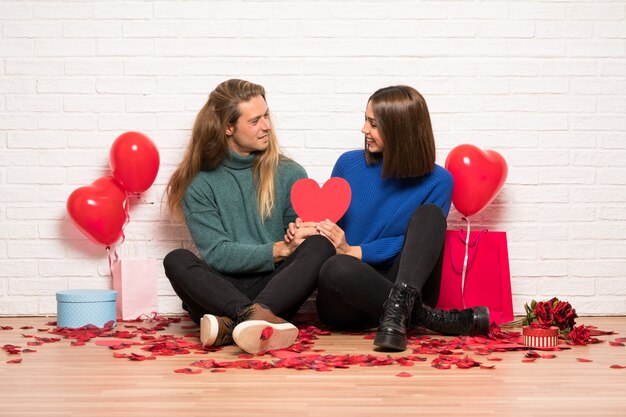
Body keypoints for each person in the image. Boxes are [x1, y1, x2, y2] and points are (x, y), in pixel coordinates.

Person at [288, 85, 490, 352]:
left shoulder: (439, 181)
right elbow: (330, 226)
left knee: (430, 217)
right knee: (335, 267)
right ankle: (429, 318)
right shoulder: (348, 164)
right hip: (347, 297)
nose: (363, 130)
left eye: (373, 123)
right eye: (365, 120)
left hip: (405, 281)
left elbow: (418, 243)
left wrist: (356, 250)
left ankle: (398, 313)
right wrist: (307, 229)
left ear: (399, 129)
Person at [163, 79, 335, 354]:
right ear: (228, 128)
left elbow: (297, 251)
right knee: (176, 260)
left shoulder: (290, 173)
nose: (267, 125)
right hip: (220, 290)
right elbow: (218, 254)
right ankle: (253, 319)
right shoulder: (199, 183)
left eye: (266, 115)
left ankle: (231, 325)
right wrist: (280, 248)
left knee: (321, 245)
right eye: (255, 120)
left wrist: (300, 236)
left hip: (273, 289)